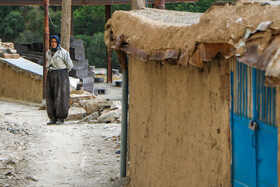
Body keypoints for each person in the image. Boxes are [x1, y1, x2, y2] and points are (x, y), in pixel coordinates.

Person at [46, 35, 73, 125]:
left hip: (61, 75)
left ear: (58, 43)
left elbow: (69, 65)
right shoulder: (48, 53)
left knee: (61, 96)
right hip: (51, 74)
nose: (53, 44)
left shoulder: (63, 53)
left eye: (55, 42)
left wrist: (63, 74)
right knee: (50, 96)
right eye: (52, 42)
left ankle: (60, 118)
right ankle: (52, 118)